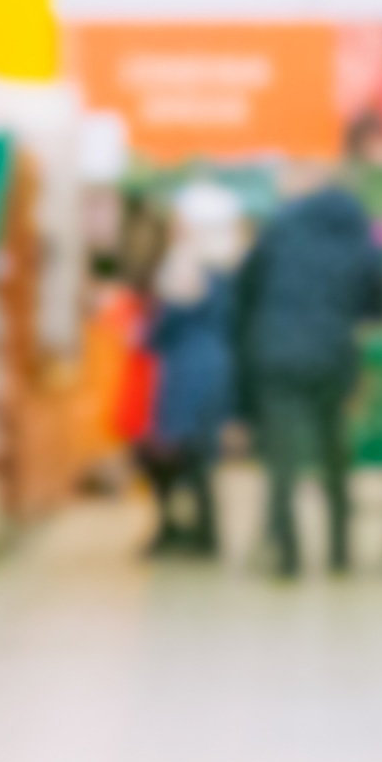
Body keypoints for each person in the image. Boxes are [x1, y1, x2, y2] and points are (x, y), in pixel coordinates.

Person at [230, 172, 382, 579]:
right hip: (333, 358)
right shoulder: (358, 237)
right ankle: (340, 551)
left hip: (277, 355)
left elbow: (244, 290)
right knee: (334, 452)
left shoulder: (280, 231)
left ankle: (287, 554)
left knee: (282, 458)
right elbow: (381, 304)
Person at [132, 188, 243, 561]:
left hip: (187, 370)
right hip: (215, 366)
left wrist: (144, 331)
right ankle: (203, 532)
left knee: (176, 452)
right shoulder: (226, 265)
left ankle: (186, 532)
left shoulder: (186, 268)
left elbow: (165, 328)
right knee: (199, 458)